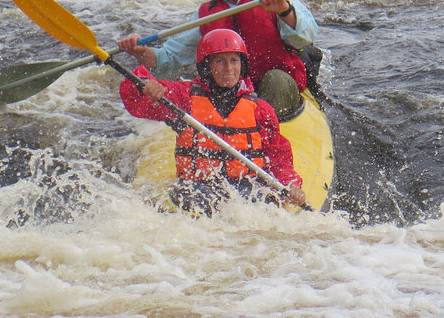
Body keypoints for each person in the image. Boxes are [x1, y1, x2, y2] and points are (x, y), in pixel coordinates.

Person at [118, 0, 319, 119]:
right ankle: (235, 126)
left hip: (278, 92)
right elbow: (169, 62)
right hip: (231, 99)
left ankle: (261, 130)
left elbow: (307, 36)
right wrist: (141, 52)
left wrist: (284, 11)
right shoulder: (207, 14)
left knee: (275, 81)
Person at [121, 28, 306, 215]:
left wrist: (290, 184)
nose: (228, 69)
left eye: (234, 60)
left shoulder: (261, 110)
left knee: (263, 203)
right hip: (196, 188)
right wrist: (146, 85)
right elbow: (135, 100)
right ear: (206, 66)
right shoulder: (184, 99)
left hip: (247, 188)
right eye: (220, 61)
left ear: (242, 65)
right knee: (200, 201)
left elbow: (278, 157)